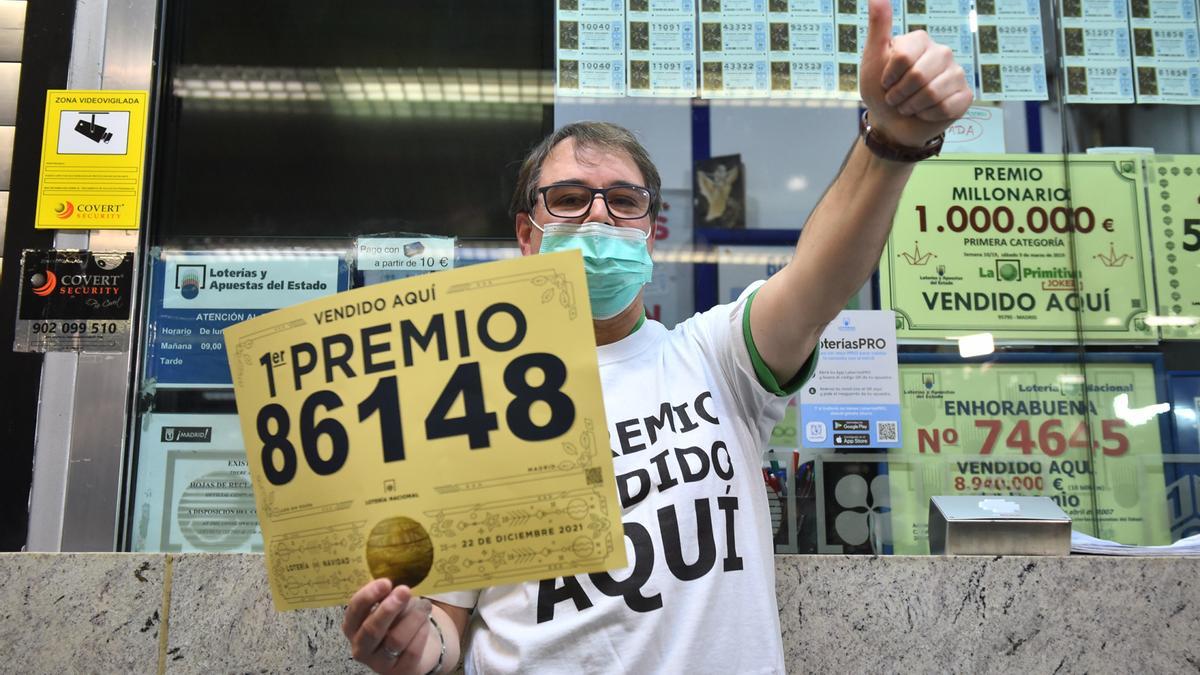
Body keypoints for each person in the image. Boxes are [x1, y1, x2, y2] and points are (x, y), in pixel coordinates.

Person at [343, 0, 971, 671]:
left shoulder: (718, 358)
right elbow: (446, 626)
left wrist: (892, 140)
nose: (599, 217)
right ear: (528, 234)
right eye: (568, 198)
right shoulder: (469, 411)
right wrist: (411, 647)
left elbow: (822, 278)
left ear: (649, 229)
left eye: (624, 200)